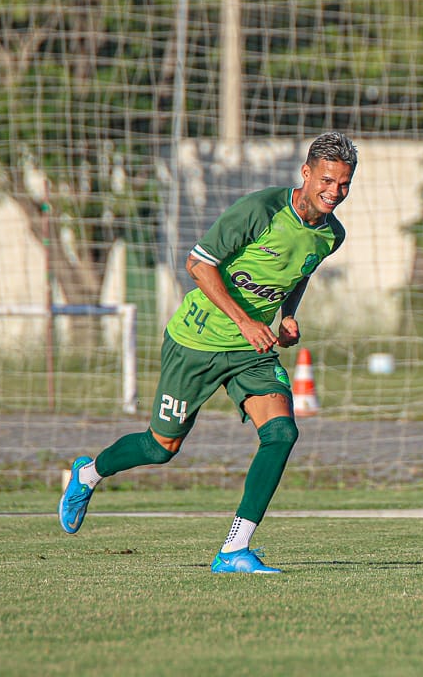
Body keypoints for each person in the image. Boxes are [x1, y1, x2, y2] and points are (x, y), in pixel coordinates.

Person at [58, 131, 358, 574]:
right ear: (306, 173)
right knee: (161, 448)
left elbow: (300, 273)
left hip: (252, 350)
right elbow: (198, 264)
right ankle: (88, 474)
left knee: (281, 434)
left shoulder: (331, 235)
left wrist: (287, 316)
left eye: (344, 184)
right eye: (327, 180)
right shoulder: (260, 210)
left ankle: (234, 549)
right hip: (196, 342)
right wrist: (246, 321)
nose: (334, 191)